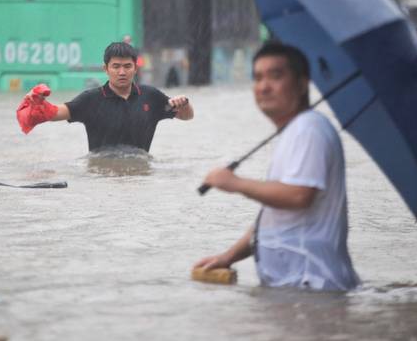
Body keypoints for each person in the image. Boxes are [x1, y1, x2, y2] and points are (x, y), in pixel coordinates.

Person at [193, 41, 359, 291]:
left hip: (312, 289)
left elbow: (299, 196)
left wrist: (235, 184)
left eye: (276, 76)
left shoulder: (308, 129)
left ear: (302, 84)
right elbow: (275, 219)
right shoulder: (294, 132)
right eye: (258, 77)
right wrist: (228, 257)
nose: (264, 87)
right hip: (291, 290)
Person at [19, 42, 193, 152]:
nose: (122, 72)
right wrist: (36, 102)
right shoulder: (90, 100)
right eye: (116, 66)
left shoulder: (151, 96)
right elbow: (56, 112)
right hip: (101, 177)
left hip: (140, 177)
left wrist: (185, 104)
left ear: (135, 68)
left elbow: (187, 117)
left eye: (127, 66)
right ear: (106, 69)